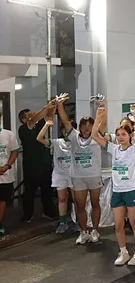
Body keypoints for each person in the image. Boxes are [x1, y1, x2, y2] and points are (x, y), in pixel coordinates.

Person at [91, 105, 135, 266]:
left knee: (134, 223)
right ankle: (123, 252)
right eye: (118, 135)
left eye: (124, 134)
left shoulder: (134, 149)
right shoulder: (114, 149)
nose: (121, 137)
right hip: (118, 191)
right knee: (118, 225)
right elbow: (94, 135)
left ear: (129, 136)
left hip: (132, 190)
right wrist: (98, 117)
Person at [57, 99, 104, 244]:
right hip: (78, 177)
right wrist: (59, 105)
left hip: (94, 176)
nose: (86, 128)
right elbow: (65, 121)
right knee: (80, 205)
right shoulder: (74, 136)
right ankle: (83, 232)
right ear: (80, 127)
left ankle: (95, 230)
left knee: (95, 203)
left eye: (90, 125)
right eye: (84, 125)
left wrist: (102, 106)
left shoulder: (97, 136)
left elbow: (103, 122)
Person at [17, 101, 57, 222]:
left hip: (45, 165)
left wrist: (54, 105)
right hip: (31, 167)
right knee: (29, 192)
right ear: (24, 120)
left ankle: (49, 212)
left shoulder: (39, 126)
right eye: (30, 115)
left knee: (47, 191)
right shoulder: (23, 129)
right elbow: (33, 120)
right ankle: (28, 216)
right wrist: (46, 106)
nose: (34, 116)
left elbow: (48, 116)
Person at [35, 106, 73, 234]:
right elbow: (39, 138)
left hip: (75, 174)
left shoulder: (77, 143)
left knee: (77, 200)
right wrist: (46, 125)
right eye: (64, 130)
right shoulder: (57, 142)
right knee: (62, 199)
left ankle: (78, 221)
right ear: (62, 131)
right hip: (60, 174)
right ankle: (63, 222)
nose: (66, 132)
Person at [0, 125, 21, 235]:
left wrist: (7, 166)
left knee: (2, 200)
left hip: (5, 175)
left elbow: (15, 151)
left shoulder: (9, 134)